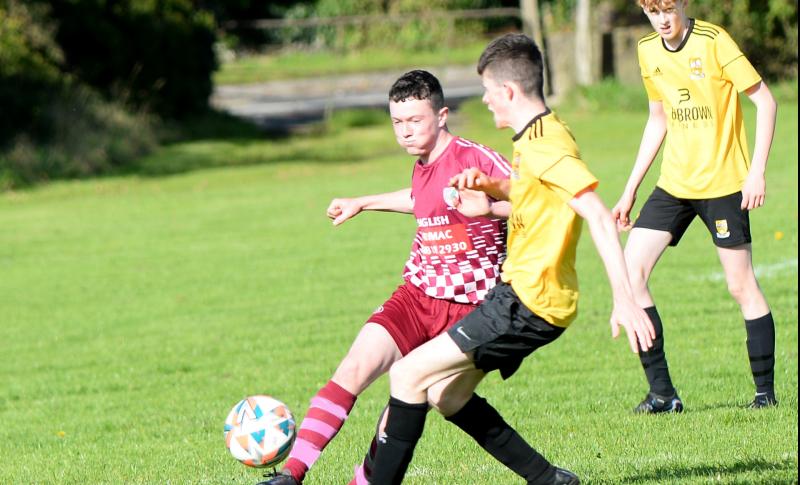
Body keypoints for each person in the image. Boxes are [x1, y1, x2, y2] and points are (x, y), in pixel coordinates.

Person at [367, 33, 656, 485]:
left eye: (487, 92)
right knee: (446, 395)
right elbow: (538, 193)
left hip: (527, 301)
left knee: (406, 375)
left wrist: (625, 299)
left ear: (508, 92)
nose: (484, 101)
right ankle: (551, 480)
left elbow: (597, 216)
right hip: (524, 298)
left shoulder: (545, 145)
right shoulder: (539, 134)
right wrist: (492, 192)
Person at [259, 69, 521, 485]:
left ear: (442, 115)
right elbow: (423, 200)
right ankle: (290, 475)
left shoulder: (476, 158)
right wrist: (363, 202)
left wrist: (490, 209)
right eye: (397, 122)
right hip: (417, 295)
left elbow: (535, 201)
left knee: (396, 417)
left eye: (415, 120)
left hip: (468, 309)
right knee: (353, 369)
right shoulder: (422, 163)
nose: (405, 131)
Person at [611, 0, 779, 413]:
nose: (663, 19)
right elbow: (658, 119)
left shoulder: (713, 40)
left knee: (741, 286)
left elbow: (766, 102)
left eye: (669, 8)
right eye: (653, 12)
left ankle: (765, 396)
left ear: (683, 4)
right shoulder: (648, 50)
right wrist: (631, 188)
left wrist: (756, 172)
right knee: (631, 275)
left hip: (723, 185)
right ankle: (663, 394)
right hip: (675, 183)